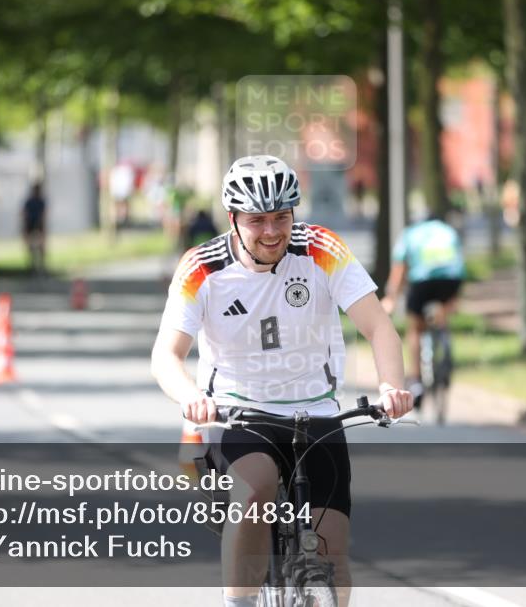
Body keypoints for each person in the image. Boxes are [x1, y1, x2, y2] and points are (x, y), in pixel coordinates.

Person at [151, 155, 411, 607]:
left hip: (318, 410)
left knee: (333, 555)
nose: (271, 231)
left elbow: (378, 326)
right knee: (256, 488)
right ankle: (241, 601)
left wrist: (391, 385)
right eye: (257, 221)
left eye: (281, 217)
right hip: (238, 412)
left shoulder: (321, 248)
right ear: (233, 220)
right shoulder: (202, 268)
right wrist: (192, 397)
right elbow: (166, 355)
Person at [380, 211, 466, 408]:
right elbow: (460, 263)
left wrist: (392, 298)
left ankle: (416, 379)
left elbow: (399, 268)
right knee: (443, 312)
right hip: (452, 280)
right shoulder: (449, 231)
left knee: (416, 328)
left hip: (423, 282)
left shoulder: (412, 233)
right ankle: (444, 342)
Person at [21, 183, 46, 274]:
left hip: (38, 226)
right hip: (31, 225)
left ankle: (41, 265)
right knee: (31, 246)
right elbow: (25, 214)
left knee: (40, 246)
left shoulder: (41, 201)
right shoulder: (30, 202)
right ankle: (32, 266)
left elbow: (43, 214)